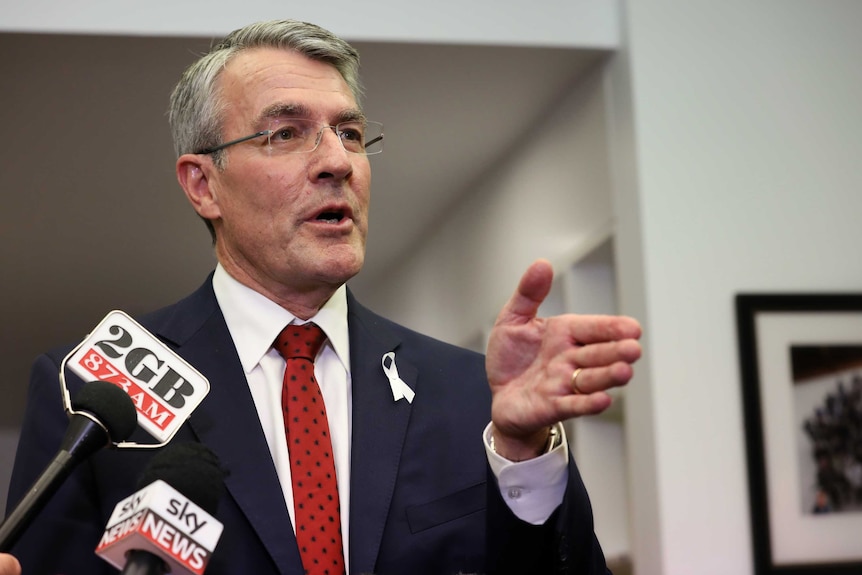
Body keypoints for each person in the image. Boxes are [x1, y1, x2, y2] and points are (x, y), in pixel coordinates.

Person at [7, 19, 641, 575]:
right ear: (203, 185)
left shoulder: (474, 395)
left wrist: (524, 455)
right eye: (286, 134)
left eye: (351, 133)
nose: (336, 160)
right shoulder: (99, 396)